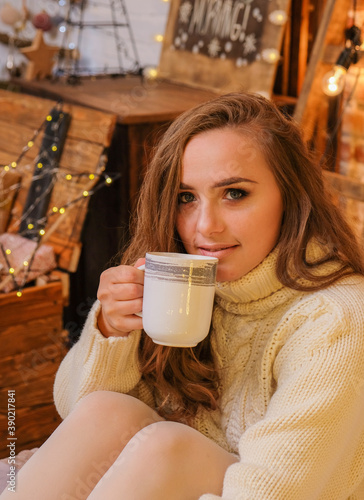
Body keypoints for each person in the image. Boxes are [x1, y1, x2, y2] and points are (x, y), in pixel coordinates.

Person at [2, 92, 364, 500]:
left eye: (235, 193)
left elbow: (273, 492)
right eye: (186, 198)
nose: (204, 227)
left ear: (292, 197)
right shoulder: (198, 288)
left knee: (165, 447)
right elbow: (80, 415)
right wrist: (111, 331)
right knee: (110, 410)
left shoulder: (337, 320)